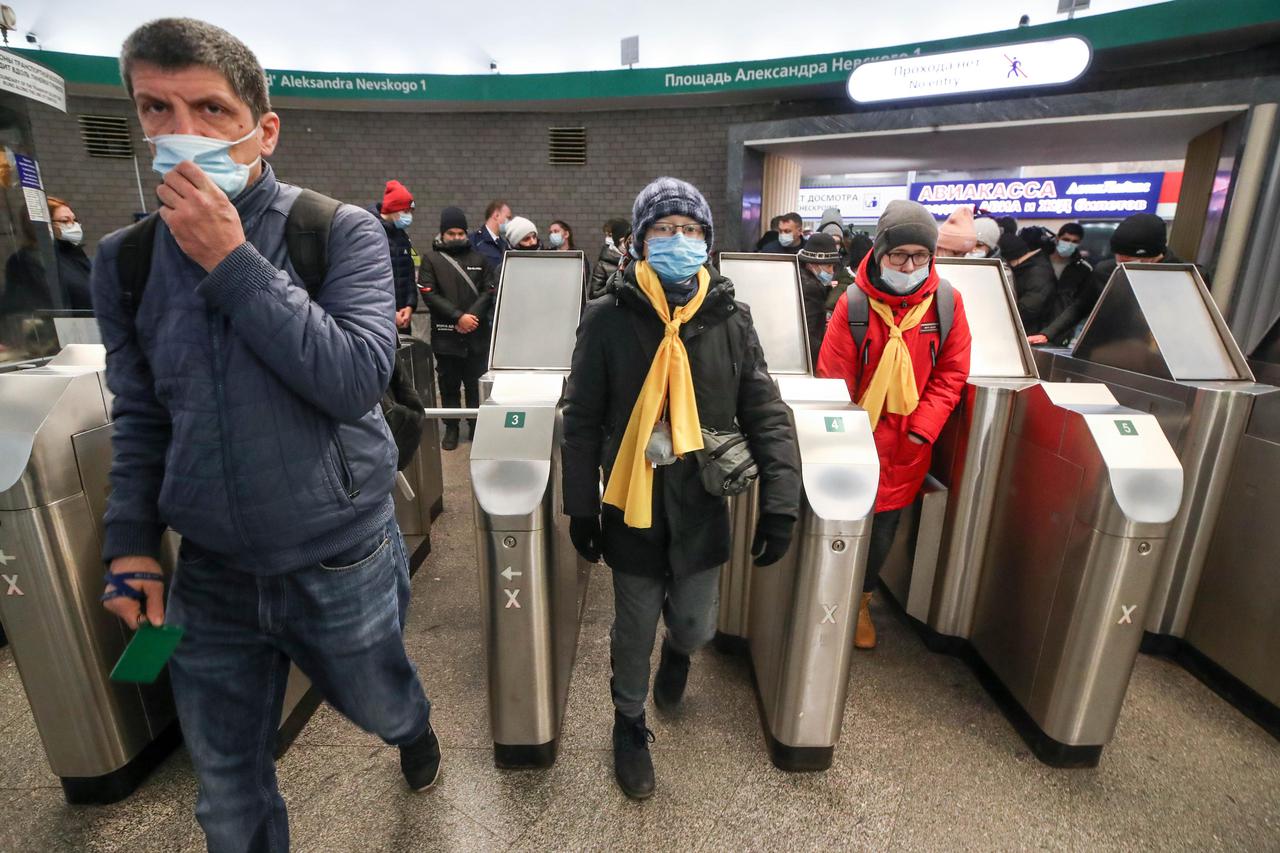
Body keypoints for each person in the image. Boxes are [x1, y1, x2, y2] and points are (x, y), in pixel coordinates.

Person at [93, 20, 438, 852]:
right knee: (226, 796)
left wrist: (232, 259)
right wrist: (132, 543)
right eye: (156, 107)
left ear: (263, 128)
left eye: (210, 108)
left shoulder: (337, 230)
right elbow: (140, 415)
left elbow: (354, 376)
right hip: (208, 571)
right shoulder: (125, 260)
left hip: (340, 554)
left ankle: (413, 728)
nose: (183, 130)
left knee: (381, 700)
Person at [562, 177, 800, 800]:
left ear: (707, 243)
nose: (678, 241)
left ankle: (681, 654)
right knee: (634, 627)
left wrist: (781, 500)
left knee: (694, 625)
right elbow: (581, 418)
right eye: (663, 230)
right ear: (639, 242)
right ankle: (628, 723)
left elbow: (765, 409)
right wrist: (581, 507)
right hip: (633, 504)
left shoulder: (728, 317)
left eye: (690, 230)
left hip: (700, 501)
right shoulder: (609, 318)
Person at [817, 199, 971, 651]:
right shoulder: (854, 303)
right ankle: (827, 599)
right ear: (880, 252)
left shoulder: (946, 303)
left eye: (920, 256)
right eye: (899, 255)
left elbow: (951, 372)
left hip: (907, 443)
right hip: (856, 438)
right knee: (840, 523)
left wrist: (923, 427)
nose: (909, 265)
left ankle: (861, 601)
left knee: (884, 529)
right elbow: (834, 376)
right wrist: (843, 437)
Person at [1030, 213, 1178, 346]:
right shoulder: (1105, 271)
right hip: (1110, 348)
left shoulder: (1182, 276)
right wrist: (1048, 333)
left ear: (1152, 256)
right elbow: (1081, 306)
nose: (1121, 263)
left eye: (1128, 260)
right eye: (1118, 257)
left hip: (1161, 350)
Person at [419, 205, 496, 450]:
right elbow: (429, 294)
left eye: (460, 233)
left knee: (475, 385)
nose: (455, 237)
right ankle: (451, 428)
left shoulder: (479, 259)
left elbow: (489, 291)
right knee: (449, 385)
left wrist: (471, 317)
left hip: (477, 334)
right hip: (446, 336)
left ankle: (476, 427)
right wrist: (458, 318)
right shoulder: (431, 260)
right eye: (450, 233)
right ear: (442, 234)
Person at [369, 179, 417, 330]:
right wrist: (388, 312)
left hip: (402, 318)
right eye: (406, 211)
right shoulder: (369, 234)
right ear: (393, 209)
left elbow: (409, 275)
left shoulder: (402, 237)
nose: (409, 216)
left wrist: (409, 305)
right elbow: (368, 283)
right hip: (377, 319)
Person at [1043, 222, 1093, 345]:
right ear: (1057, 238)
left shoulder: (1083, 269)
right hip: (1032, 325)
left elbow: (1082, 304)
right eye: (1066, 239)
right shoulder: (1040, 261)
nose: (1069, 244)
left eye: (1074, 241)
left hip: (1060, 331)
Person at [998, 232, 1057, 334]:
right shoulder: (1028, 268)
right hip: (1025, 328)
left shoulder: (1038, 273)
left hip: (1030, 331)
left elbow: (1029, 308)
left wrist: (1000, 320)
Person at [797, 232, 840, 368]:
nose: (831, 272)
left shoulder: (798, 277)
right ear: (812, 264)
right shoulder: (812, 289)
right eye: (828, 266)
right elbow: (811, 334)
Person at [48, 196, 93, 310]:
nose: (74, 225)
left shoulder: (76, 254)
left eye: (75, 220)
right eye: (64, 221)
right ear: (48, 225)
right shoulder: (42, 259)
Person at [588, 217, 631, 300]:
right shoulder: (602, 265)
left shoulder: (634, 261)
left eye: (610, 235)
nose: (608, 239)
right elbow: (594, 295)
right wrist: (610, 287)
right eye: (607, 235)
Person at [470, 199, 511, 270]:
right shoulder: (475, 241)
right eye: (508, 218)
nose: (510, 222)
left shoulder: (505, 245)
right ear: (496, 215)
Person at [549, 219, 591, 286]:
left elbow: (584, 279)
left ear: (566, 234)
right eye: (550, 232)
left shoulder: (577, 255)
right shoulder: (548, 254)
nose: (552, 235)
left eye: (556, 231)